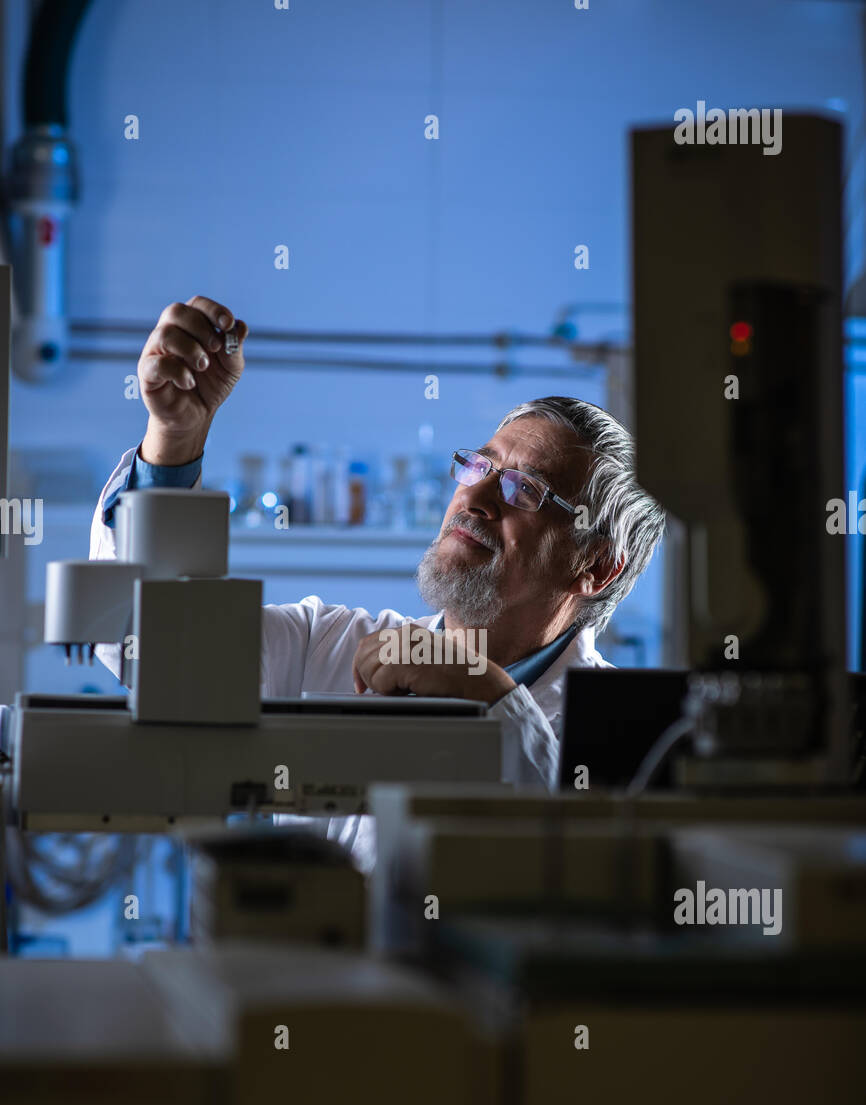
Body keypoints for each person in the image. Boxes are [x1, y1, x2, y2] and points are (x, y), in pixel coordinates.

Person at [89, 295, 666, 870]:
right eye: (480, 465)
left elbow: (595, 874)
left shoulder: (640, 733)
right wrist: (172, 442)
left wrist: (490, 696)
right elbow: (148, 647)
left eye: (526, 489)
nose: (476, 497)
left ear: (597, 566)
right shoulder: (328, 647)